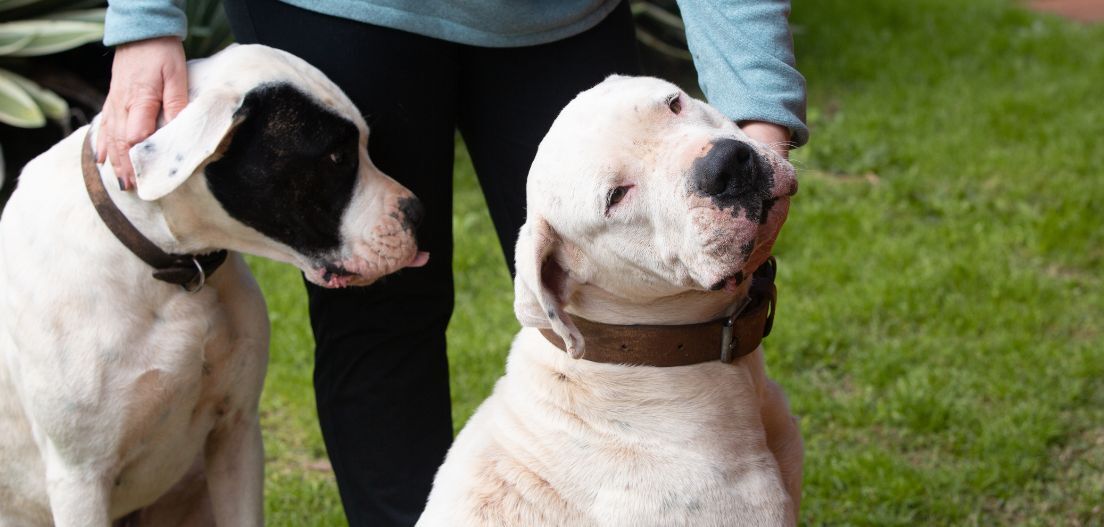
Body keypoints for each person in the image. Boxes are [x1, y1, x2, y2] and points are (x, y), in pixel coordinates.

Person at [98, 0, 808, 524]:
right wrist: (143, 17)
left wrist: (758, 119)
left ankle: (718, 485)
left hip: (556, 18)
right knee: (380, 321)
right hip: (337, 12)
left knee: (662, 268)